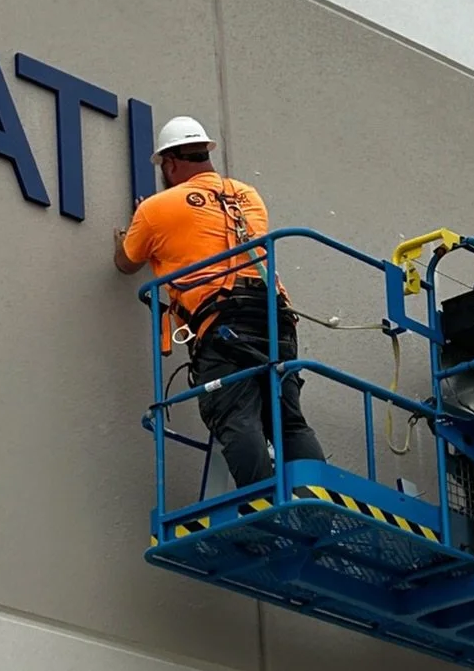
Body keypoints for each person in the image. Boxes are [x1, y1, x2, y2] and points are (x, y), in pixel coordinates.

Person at [113, 116, 326, 487]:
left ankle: (263, 507)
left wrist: (134, 228)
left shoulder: (157, 208)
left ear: (170, 163)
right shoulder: (248, 196)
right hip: (276, 317)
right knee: (286, 418)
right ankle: (315, 499)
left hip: (224, 322)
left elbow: (126, 262)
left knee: (236, 415)